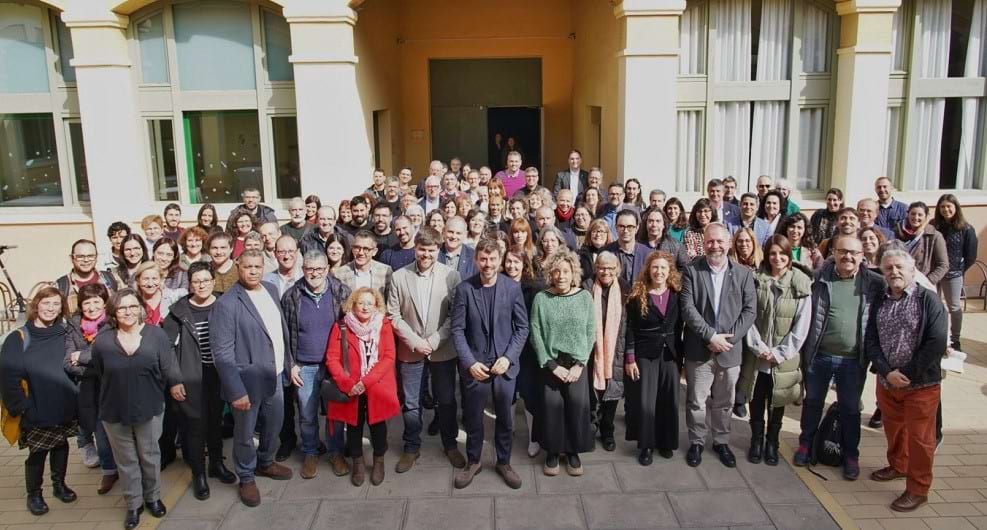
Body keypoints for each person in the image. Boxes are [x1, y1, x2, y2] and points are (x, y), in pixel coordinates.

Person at [793, 235, 885, 481]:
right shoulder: (818, 279)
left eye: (854, 253)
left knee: (850, 410)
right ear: (833, 252)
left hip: (853, 360)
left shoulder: (875, 283)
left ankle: (850, 455)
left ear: (862, 256)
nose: (848, 256)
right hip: (820, 355)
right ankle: (806, 445)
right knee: (812, 402)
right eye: (842, 251)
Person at [91, 288, 182, 529]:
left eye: (132, 306)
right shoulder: (102, 341)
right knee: (126, 459)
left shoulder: (156, 335)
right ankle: (134, 504)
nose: (128, 312)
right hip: (114, 409)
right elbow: (100, 372)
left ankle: (153, 497)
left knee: (149, 456)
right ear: (113, 312)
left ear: (141, 309)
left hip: (149, 406)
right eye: (121, 308)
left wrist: (174, 384)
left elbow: (167, 367)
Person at [210, 250, 294, 507]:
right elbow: (222, 353)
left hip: (275, 374)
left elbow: (279, 332)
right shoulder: (227, 304)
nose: (254, 271)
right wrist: (236, 391)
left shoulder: (270, 289)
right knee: (245, 433)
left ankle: (266, 462)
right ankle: (246, 475)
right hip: (247, 382)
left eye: (258, 266)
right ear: (238, 266)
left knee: (275, 423)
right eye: (248, 266)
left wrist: (289, 365)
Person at [866, 250, 947, 512]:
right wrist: (886, 371)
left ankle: (918, 489)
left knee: (921, 440)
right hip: (888, 382)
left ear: (912, 271)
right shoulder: (880, 299)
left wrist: (908, 373)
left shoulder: (929, 300)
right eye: (888, 268)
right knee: (894, 429)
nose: (894, 272)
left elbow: (936, 342)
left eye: (899, 267)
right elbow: (871, 340)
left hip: (921, 385)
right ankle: (898, 466)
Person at [450, 239, 529, 489]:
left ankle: (503, 462)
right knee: (473, 418)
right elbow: (458, 329)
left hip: (504, 367)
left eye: (492, 259)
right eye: (483, 259)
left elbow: (522, 327)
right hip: (476, 367)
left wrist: (508, 357)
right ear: (476, 260)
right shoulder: (465, 289)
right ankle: (473, 461)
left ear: (500, 259)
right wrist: (469, 362)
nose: (488, 264)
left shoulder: (512, 288)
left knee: (506, 418)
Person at [387, 228, 465, 474]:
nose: (426, 254)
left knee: (447, 400)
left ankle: (450, 444)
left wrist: (433, 340)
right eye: (422, 249)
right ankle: (411, 446)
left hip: (441, 349)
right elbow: (393, 314)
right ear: (415, 248)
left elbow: (456, 315)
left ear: (438, 250)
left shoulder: (451, 276)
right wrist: (413, 340)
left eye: (432, 250)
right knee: (411, 403)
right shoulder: (399, 276)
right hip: (410, 351)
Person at [680, 223, 756, 468]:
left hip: (729, 350)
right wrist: (710, 336)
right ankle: (697, 441)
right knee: (696, 400)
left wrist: (728, 340)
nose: (715, 246)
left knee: (724, 401)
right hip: (699, 349)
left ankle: (721, 441)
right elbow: (688, 309)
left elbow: (749, 311)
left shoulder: (743, 274)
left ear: (729, 243)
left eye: (720, 241)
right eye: (710, 241)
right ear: (703, 243)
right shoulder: (692, 271)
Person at [1, 287, 79, 517]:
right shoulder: (19, 338)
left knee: (61, 444)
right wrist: (19, 407)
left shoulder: (64, 333)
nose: (51, 308)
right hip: (35, 407)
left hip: (64, 404)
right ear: (36, 305)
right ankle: (34, 494)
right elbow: (8, 376)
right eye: (46, 303)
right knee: (38, 451)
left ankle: (59, 485)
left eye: (56, 304)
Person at [162, 263, 236, 500]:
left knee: (216, 422)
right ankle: (198, 474)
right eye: (196, 281)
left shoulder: (224, 304)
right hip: (191, 375)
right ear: (190, 284)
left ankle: (216, 464)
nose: (201, 285)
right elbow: (166, 352)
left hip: (218, 374)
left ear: (213, 281)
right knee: (194, 426)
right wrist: (174, 380)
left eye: (206, 280)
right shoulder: (178, 312)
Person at [739, 235, 811, 466]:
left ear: (789, 256)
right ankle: (756, 441)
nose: (777, 258)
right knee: (757, 398)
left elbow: (802, 324)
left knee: (777, 400)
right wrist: (758, 347)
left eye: (782, 253)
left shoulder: (799, 281)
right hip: (757, 354)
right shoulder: (755, 279)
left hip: (783, 356)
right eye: (772, 253)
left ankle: (773, 441)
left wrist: (780, 352)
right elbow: (747, 315)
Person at [281, 251, 351, 479]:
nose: (315, 274)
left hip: (334, 365)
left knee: (335, 413)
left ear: (327, 269)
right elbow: (285, 334)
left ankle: (336, 452)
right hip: (305, 365)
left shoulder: (341, 292)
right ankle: (310, 452)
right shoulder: (292, 296)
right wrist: (291, 365)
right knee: (307, 413)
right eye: (310, 269)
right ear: (303, 270)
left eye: (320, 269)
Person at [529, 250, 595, 477]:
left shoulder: (585, 297)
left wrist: (579, 365)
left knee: (576, 409)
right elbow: (535, 332)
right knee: (551, 410)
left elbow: (590, 331)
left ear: (574, 273)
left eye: (566, 271)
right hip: (552, 364)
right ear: (550, 274)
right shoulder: (541, 299)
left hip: (577, 364)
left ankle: (573, 450)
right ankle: (553, 451)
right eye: (556, 271)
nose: (561, 276)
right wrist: (551, 365)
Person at [325, 287, 400, 487]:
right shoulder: (341, 327)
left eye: (370, 303)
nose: (365, 307)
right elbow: (332, 358)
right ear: (353, 305)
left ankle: (378, 461)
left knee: (377, 426)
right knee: (354, 426)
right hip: (352, 388)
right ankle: (357, 462)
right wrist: (348, 384)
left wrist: (364, 383)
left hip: (377, 386)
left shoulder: (383, 325)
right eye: (361, 302)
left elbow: (389, 357)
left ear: (376, 306)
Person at [624, 251, 683, 465]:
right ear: (648, 269)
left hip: (670, 353)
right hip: (645, 353)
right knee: (646, 401)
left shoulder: (677, 293)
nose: (659, 272)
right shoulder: (638, 294)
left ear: (670, 271)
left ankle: (666, 442)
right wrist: (630, 358)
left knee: (669, 398)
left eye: (663, 268)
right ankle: (646, 445)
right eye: (655, 267)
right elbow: (630, 328)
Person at [63, 284, 118, 492]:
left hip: (114, 386)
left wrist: (84, 357)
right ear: (80, 305)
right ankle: (108, 471)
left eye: (96, 301)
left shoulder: (112, 323)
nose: (92, 307)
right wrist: (94, 367)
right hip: (89, 389)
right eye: (87, 303)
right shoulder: (74, 325)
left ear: (105, 302)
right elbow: (68, 362)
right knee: (99, 430)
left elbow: (111, 357)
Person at [582, 252, 626, 453]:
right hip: (592, 349)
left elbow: (629, 323)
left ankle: (607, 430)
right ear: (595, 268)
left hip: (617, 348)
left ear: (616, 268)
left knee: (612, 391)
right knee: (592, 393)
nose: (605, 271)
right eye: (601, 267)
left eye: (610, 267)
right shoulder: (586, 287)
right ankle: (591, 426)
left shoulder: (625, 289)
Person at [932, 194, 978, 350]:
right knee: (934, 305)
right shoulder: (934, 225)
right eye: (942, 207)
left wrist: (959, 270)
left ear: (956, 208)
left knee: (954, 307)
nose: (946, 210)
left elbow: (971, 255)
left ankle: (955, 339)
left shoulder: (966, 229)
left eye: (949, 206)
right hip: (934, 272)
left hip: (953, 274)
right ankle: (936, 336)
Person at [55, 239, 118, 314]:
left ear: (96, 257)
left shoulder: (111, 279)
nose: (86, 260)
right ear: (71, 258)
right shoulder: (60, 286)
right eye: (80, 256)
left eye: (90, 256)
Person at [895, 202, 949, 287]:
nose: (916, 217)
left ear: (926, 217)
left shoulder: (935, 236)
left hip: (924, 284)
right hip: (902, 282)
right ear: (908, 214)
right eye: (913, 214)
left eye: (920, 215)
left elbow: (943, 265)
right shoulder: (897, 232)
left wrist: (927, 281)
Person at [334, 230, 394, 299]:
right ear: (352, 248)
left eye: (366, 249)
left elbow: (389, 302)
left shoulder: (385, 271)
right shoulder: (340, 273)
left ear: (374, 252)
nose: (361, 253)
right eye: (357, 247)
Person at [604, 210, 652, 294]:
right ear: (616, 228)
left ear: (636, 228)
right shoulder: (606, 252)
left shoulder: (647, 254)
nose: (625, 231)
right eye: (621, 226)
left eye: (630, 227)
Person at [135, 261, 185, 328]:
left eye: (154, 279)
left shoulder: (173, 297)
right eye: (145, 279)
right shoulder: (134, 301)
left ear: (161, 279)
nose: (150, 284)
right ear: (138, 280)